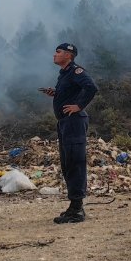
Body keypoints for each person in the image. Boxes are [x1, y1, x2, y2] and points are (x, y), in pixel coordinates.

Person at [39, 42, 98, 224]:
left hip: (74, 121)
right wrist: (56, 93)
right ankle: (74, 206)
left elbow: (91, 87)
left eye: (58, 52)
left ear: (68, 55)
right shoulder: (64, 74)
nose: (54, 55)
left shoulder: (75, 71)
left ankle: (77, 209)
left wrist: (79, 106)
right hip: (65, 123)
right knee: (67, 163)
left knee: (75, 162)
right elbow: (70, 92)